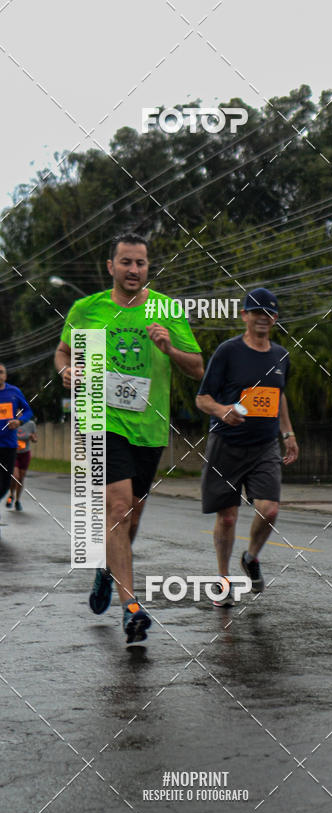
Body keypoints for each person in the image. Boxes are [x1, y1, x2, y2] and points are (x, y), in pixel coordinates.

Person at [55, 232, 204, 643]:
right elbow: (63, 352)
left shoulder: (167, 310)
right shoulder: (87, 309)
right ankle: (131, 607)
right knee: (118, 507)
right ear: (111, 267)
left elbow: (197, 367)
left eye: (140, 262)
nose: (133, 269)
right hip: (101, 420)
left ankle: (107, 569)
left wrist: (170, 348)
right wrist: (66, 371)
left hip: (149, 427)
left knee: (131, 516)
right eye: (126, 262)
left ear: (148, 267)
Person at [195, 288, 299, 607]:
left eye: (268, 313)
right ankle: (224, 579)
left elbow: (279, 396)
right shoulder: (228, 352)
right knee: (227, 518)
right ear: (244, 316)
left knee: (270, 510)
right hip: (227, 444)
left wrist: (288, 433)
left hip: (265, 446)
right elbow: (202, 398)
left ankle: (251, 558)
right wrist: (222, 410)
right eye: (256, 313)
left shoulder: (281, 356)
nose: (262, 318)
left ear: (275, 319)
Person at [0, 363, 34, 518]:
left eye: (1, 372)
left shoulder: (14, 392)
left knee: (6, 484)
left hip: (9, 445)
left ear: (5, 375)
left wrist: (19, 421)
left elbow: (28, 411)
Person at [7, 417, 37, 510]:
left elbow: (35, 439)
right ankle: (11, 495)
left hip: (25, 454)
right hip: (13, 453)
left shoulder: (31, 424)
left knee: (21, 478)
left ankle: (17, 501)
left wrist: (33, 438)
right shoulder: (11, 423)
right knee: (15, 476)